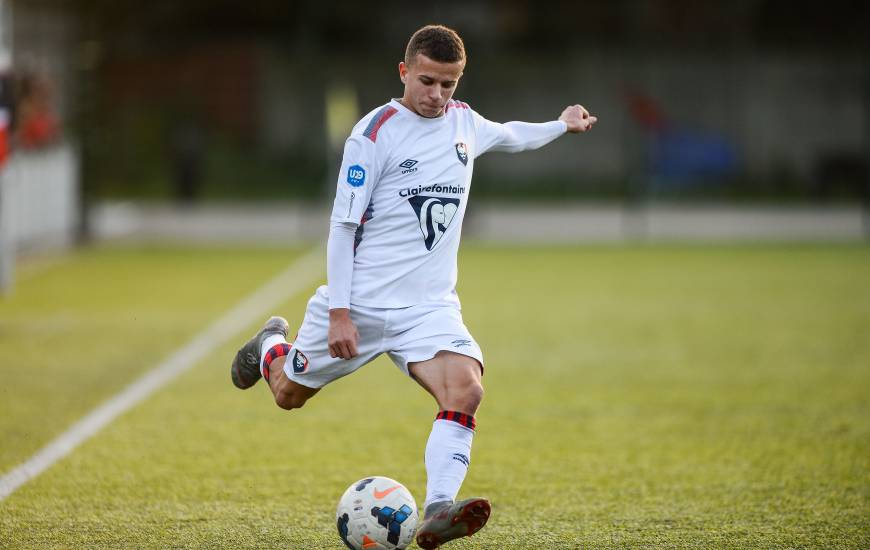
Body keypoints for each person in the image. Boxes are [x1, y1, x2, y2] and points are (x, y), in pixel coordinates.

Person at [230, 24, 596, 549]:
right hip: (359, 304)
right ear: (404, 72)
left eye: (448, 84)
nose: (437, 96)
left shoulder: (464, 123)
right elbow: (343, 227)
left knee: (466, 389)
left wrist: (561, 125)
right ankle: (268, 346)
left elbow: (512, 134)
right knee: (287, 394)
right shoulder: (374, 134)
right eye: (427, 82)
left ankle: (439, 508)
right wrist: (339, 312)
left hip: (428, 309)